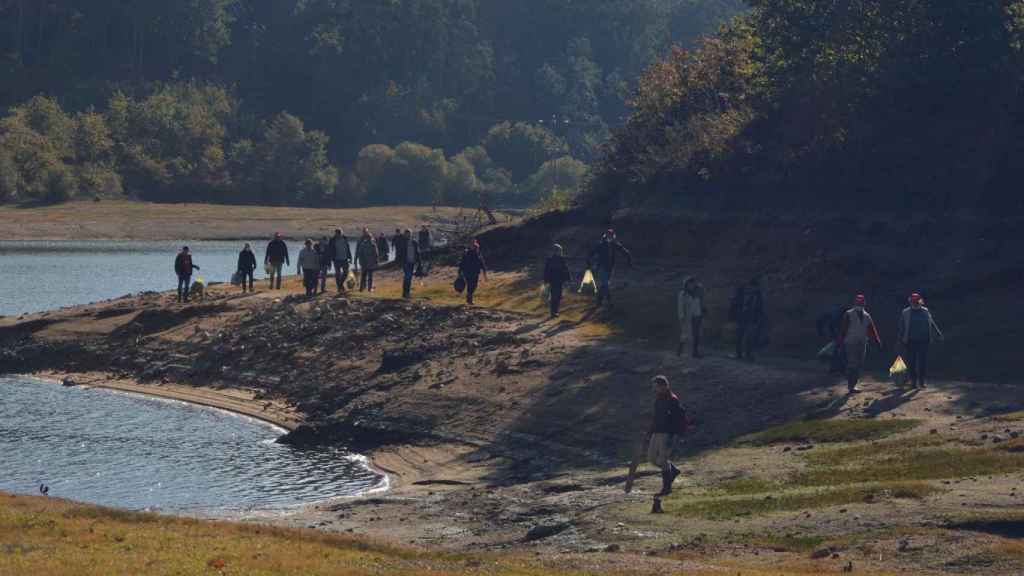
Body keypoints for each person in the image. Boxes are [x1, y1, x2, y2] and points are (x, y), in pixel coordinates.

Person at [647, 375, 685, 497]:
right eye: (655, 387)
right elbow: (655, 417)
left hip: (667, 433)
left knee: (662, 460)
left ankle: (667, 487)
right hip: (656, 432)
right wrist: (650, 431)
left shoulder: (673, 399)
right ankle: (672, 470)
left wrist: (674, 435)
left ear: (664, 386)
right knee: (652, 459)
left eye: (657, 387)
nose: (655, 389)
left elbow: (678, 419)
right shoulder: (658, 399)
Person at [897, 293, 944, 389]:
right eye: (913, 302)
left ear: (919, 302)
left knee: (922, 362)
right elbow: (901, 327)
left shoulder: (925, 311)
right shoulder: (905, 312)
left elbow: (932, 323)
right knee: (911, 362)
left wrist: (938, 333)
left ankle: (921, 382)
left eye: (916, 302)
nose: (914, 304)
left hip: (924, 341)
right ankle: (914, 382)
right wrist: (900, 340)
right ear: (910, 302)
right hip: (910, 341)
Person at [838, 294, 882, 393]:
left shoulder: (867, 315)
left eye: (861, 302)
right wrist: (840, 343)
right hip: (850, 342)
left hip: (862, 343)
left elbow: (871, 329)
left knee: (859, 364)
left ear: (864, 303)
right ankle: (851, 386)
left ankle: (853, 384)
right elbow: (843, 330)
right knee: (853, 363)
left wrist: (877, 341)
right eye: (858, 302)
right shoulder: (848, 314)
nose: (860, 304)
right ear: (855, 303)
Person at [586, 229, 632, 307]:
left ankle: (599, 301)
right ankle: (609, 301)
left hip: (609, 268)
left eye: (611, 235)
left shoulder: (613, 244)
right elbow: (591, 253)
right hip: (601, 267)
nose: (610, 237)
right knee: (605, 283)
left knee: (604, 284)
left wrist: (629, 259)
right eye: (609, 235)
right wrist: (589, 263)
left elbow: (624, 251)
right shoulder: (601, 244)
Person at [730, 277, 764, 360]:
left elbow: (760, 307)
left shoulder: (757, 294)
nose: (754, 288)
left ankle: (747, 355)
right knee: (740, 336)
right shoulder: (744, 292)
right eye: (753, 286)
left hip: (752, 318)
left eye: (755, 287)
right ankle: (739, 354)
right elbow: (737, 303)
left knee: (749, 337)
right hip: (743, 317)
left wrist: (758, 318)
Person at [677, 277, 705, 358]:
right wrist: (681, 316)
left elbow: (701, 303)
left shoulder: (697, 293)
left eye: (692, 283)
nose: (691, 285)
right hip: (688, 317)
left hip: (697, 316)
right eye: (689, 284)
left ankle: (695, 352)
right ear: (686, 285)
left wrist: (703, 313)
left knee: (697, 335)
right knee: (685, 335)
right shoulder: (683, 294)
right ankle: (679, 351)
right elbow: (680, 307)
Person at [817, 304, 848, 374]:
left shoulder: (841, 316)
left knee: (840, 348)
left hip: (836, 326)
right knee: (838, 348)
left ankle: (838, 367)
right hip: (834, 325)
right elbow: (832, 327)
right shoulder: (835, 317)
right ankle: (836, 368)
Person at [543, 244, 572, 318]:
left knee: (558, 296)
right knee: (554, 296)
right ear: (556, 251)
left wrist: (568, 279)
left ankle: (555, 311)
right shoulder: (551, 259)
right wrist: (546, 281)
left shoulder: (560, 259)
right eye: (560, 250)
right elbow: (547, 271)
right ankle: (554, 312)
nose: (561, 252)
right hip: (553, 281)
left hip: (559, 281)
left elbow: (565, 269)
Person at [457, 240, 488, 305]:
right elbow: (462, 263)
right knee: (470, 285)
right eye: (474, 246)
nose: (475, 248)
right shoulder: (466, 253)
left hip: (476, 272)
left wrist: (484, 272)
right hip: (467, 272)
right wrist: (460, 272)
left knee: (475, 285)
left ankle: (469, 296)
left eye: (476, 247)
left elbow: (482, 262)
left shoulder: (478, 253)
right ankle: (469, 299)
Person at [394, 228, 421, 298]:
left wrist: (419, 262)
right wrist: (397, 261)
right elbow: (399, 252)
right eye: (406, 234)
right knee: (407, 276)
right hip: (405, 262)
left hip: (412, 262)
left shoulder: (414, 242)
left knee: (409, 277)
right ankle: (405, 293)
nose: (408, 235)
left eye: (409, 234)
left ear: (411, 234)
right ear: (405, 234)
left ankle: (406, 293)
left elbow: (417, 253)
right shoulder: (402, 242)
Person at [327, 228, 352, 293]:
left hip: (345, 258)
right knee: (337, 274)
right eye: (337, 234)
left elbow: (348, 248)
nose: (338, 235)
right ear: (335, 234)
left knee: (346, 273)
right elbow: (329, 251)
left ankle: (340, 285)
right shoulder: (332, 240)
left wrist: (350, 257)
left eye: (340, 233)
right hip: (336, 259)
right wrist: (330, 260)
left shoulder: (345, 239)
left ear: (341, 233)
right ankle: (339, 288)